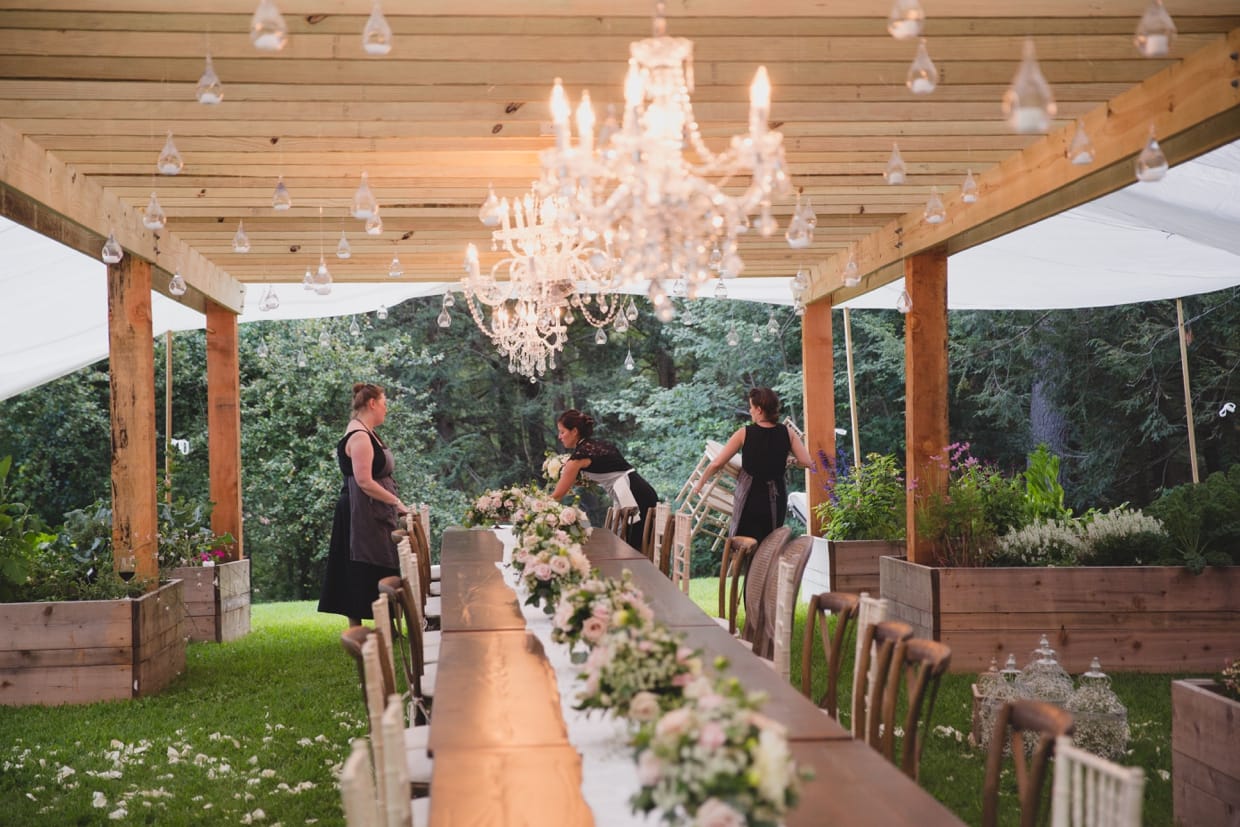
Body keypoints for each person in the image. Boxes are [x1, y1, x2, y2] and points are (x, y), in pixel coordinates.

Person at [318, 382, 408, 627]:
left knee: (380, 560)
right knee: (358, 565)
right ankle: (358, 628)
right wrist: (396, 502)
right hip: (359, 513)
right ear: (372, 403)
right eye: (384, 403)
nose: (386, 409)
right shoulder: (359, 436)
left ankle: (387, 625)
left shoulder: (368, 432)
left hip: (372, 511)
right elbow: (364, 481)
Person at [693, 387, 812, 544]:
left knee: (745, 546)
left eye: (751, 407)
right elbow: (807, 462)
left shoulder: (744, 433)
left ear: (759, 410)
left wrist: (700, 483)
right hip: (776, 499)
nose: (750, 411)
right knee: (768, 547)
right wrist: (791, 460)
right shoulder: (788, 433)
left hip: (750, 499)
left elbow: (717, 463)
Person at [551, 409, 658, 549]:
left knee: (633, 550)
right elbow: (608, 475)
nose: (560, 437)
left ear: (575, 431)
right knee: (631, 548)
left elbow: (557, 495)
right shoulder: (599, 445)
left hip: (634, 497)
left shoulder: (578, 458)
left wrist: (537, 509)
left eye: (562, 432)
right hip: (642, 490)